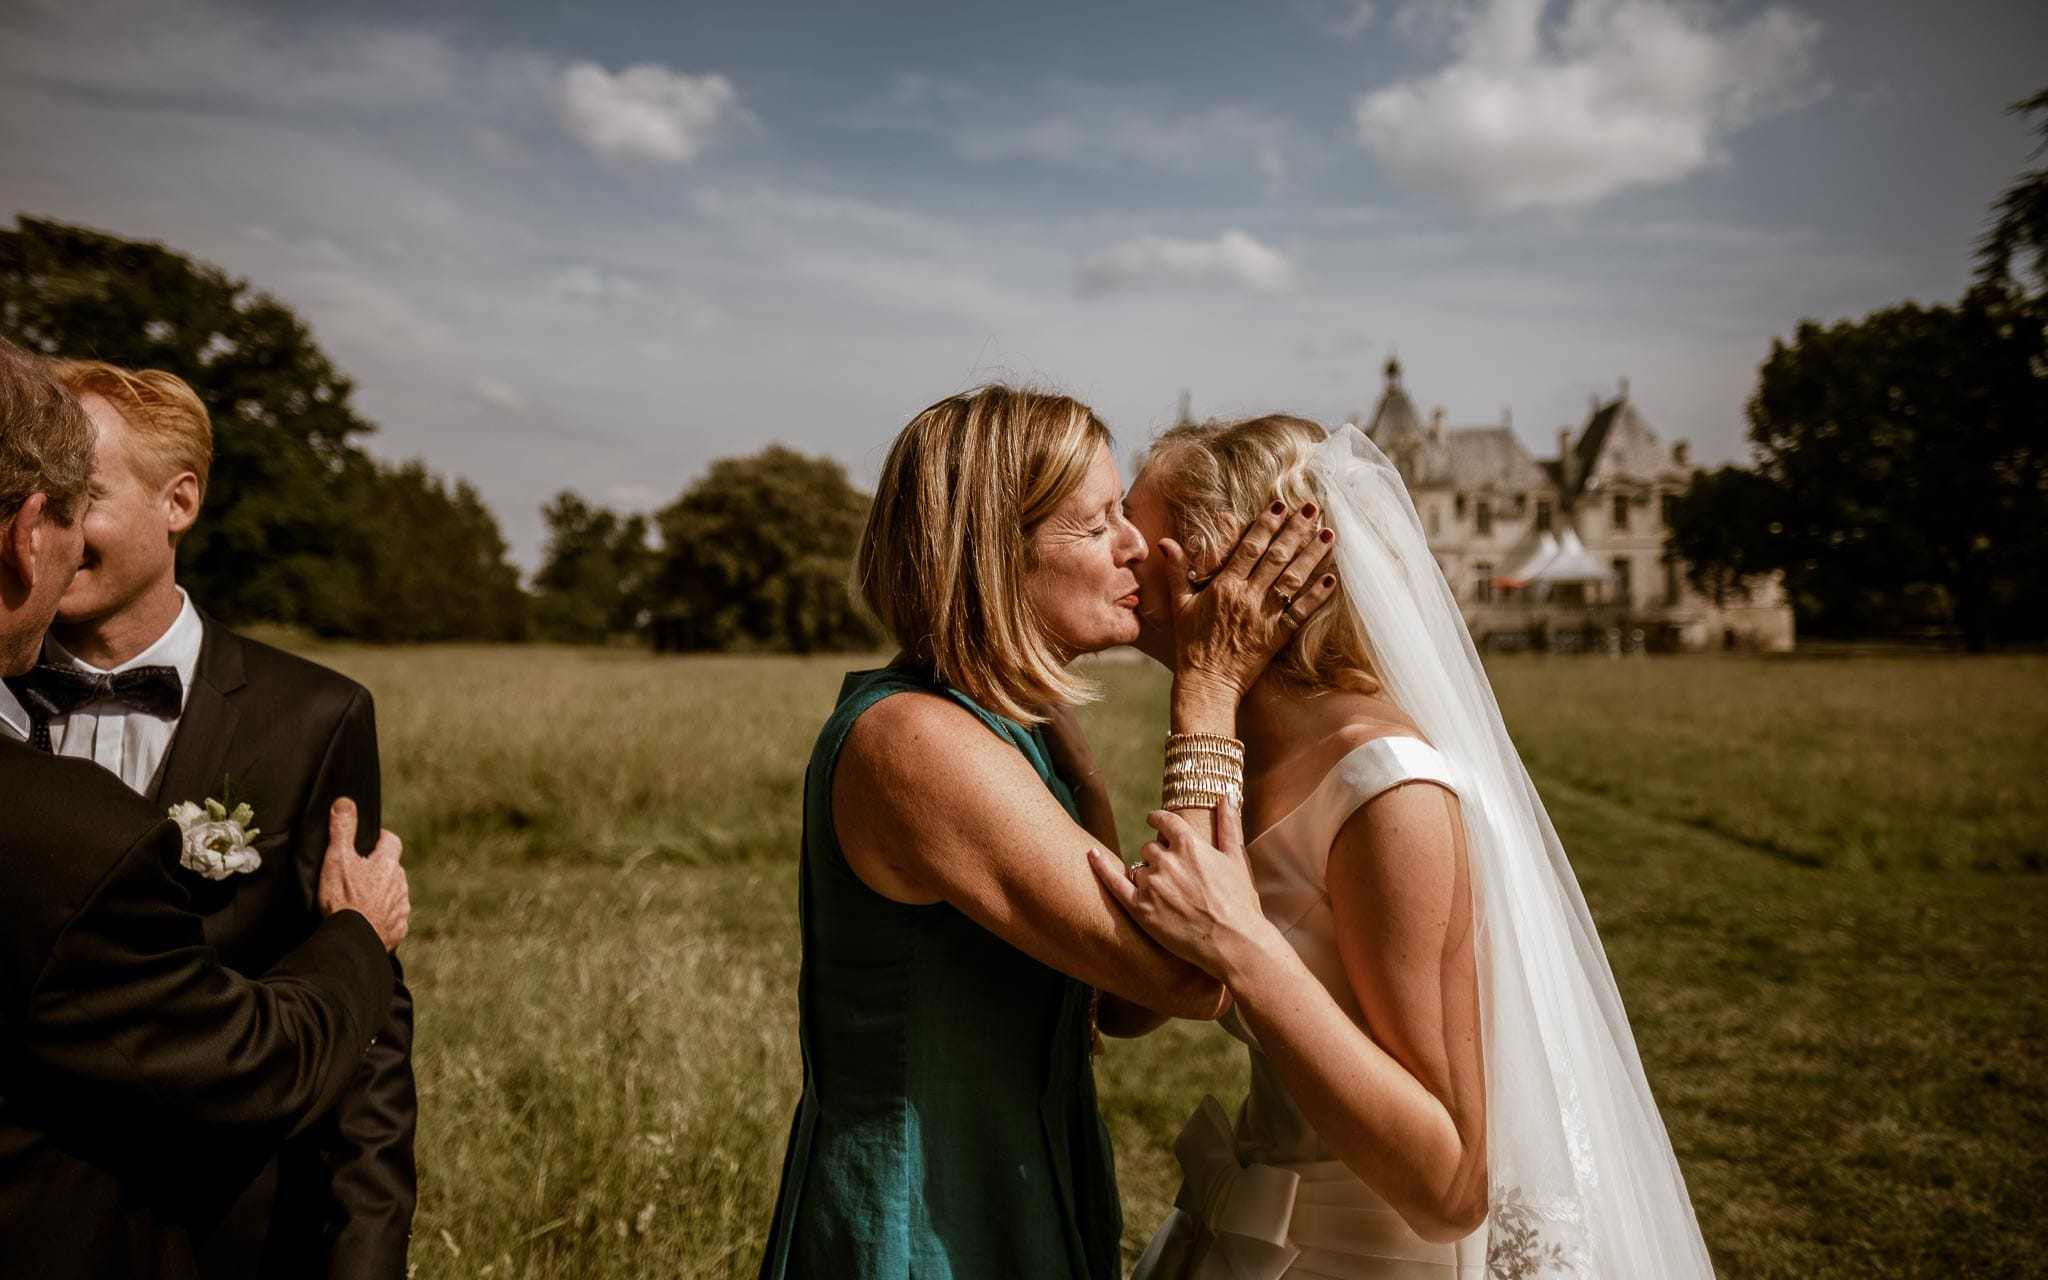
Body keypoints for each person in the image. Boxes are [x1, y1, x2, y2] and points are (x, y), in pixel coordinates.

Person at [1091, 414, 1716, 1278]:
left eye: (1131, 519)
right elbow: (1132, 1001)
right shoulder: (1241, 754)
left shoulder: (1387, 791)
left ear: (1223, 563)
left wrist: (1244, 946)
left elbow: (1452, 1187)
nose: (1113, 545)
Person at [757, 385, 1339, 1280]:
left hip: (1024, 1184)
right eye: (1096, 521)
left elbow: (1123, 1006)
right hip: (924, 1218)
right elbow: (1187, 972)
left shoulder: (1006, 730)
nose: (1135, 544)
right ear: (995, 553)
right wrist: (1210, 684)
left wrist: (1084, 772)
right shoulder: (914, 743)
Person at [0, 335, 411, 1280]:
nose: (58, 524)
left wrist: (366, 1259)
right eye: (51, 499)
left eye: (86, 494)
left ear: (178, 501)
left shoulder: (313, 714)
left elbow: (372, 1027)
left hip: (227, 1232)